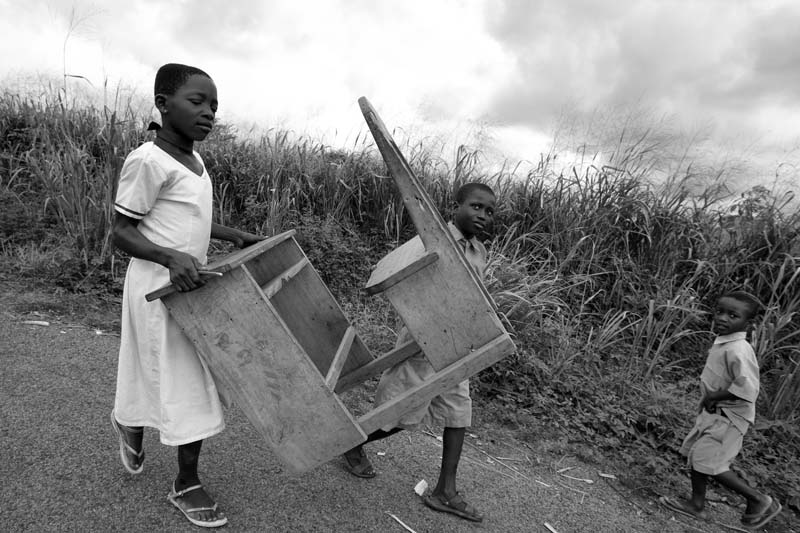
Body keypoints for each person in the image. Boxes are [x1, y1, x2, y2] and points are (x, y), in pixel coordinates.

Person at [109, 63, 263, 528]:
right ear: (163, 104)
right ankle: (186, 482)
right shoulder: (148, 160)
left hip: (191, 287)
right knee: (178, 376)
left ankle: (131, 421)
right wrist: (170, 258)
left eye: (214, 105)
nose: (209, 112)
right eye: (197, 101)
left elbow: (190, 218)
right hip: (157, 287)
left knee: (176, 373)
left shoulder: (196, 162)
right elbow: (121, 230)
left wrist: (234, 235)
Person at [342, 182, 496, 523]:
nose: (483, 215)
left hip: (457, 347)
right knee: (399, 412)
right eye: (476, 206)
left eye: (489, 211)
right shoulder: (432, 241)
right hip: (422, 343)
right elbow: (399, 279)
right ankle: (353, 441)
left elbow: (476, 296)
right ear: (456, 206)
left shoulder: (479, 251)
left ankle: (445, 491)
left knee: (458, 414)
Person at [660, 291, 782, 529]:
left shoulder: (738, 349)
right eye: (720, 312)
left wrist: (714, 396)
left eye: (733, 315)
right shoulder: (725, 342)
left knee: (712, 464)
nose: (723, 318)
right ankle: (696, 504)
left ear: (749, 323)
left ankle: (758, 500)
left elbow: (748, 387)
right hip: (716, 413)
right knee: (698, 456)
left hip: (729, 418)